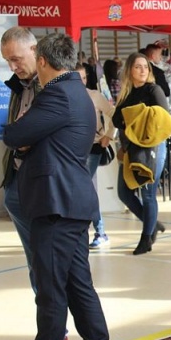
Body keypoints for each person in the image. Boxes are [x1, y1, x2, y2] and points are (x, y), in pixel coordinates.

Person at [0, 33, 109, 340]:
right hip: (69, 202)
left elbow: (15, 135)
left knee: (50, 287)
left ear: (42, 60)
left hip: (56, 204)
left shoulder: (57, 94)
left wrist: (23, 137)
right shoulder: (75, 91)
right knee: (77, 284)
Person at [0, 26, 70, 340]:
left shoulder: (55, 88)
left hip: (43, 189)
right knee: (36, 267)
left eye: (16, 59)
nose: (13, 66)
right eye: (7, 61)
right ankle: (54, 336)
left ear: (35, 52)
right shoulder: (19, 86)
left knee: (47, 268)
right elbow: (15, 133)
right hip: (18, 184)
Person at [112, 52, 169, 255]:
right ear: (130, 70)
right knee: (124, 192)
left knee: (147, 194)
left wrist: (133, 117)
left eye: (145, 66)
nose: (143, 70)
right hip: (131, 148)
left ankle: (146, 238)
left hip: (153, 147)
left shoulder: (154, 89)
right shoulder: (126, 94)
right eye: (138, 66)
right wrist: (136, 117)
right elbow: (116, 120)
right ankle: (151, 223)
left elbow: (164, 118)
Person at [75, 63, 117, 249]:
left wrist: (109, 135)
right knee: (82, 189)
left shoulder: (94, 95)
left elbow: (114, 114)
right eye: (77, 78)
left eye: (84, 78)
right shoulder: (65, 96)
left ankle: (99, 231)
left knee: (85, 189)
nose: (81, 82)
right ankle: (89, 231)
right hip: (73, 149)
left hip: (93, 147)